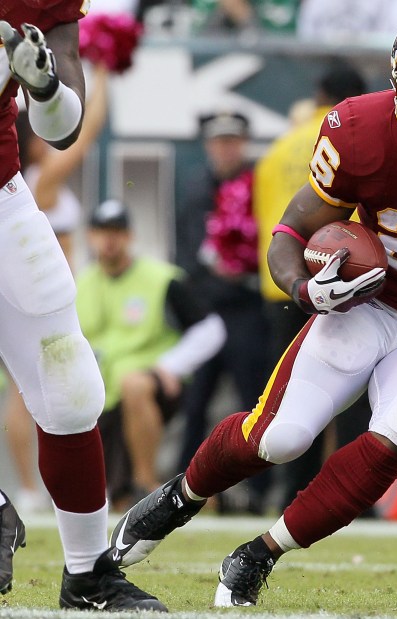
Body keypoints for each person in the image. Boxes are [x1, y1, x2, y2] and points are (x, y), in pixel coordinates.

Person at [108, 8, 397, 608]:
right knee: (279, 437)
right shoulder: (361, 131)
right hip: (371, 308)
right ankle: (177, 499)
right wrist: (306, 291)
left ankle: (259, 553)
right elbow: (289, 232)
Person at [0, 8, 165, 611]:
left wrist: (42, 85)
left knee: (70, 385)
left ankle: (88, 575)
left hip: (3, 201)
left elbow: (62, 127)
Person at [253, 62, 374, 511]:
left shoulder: (279, 149)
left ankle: (292, 493)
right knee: (348, 393)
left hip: (281, 288)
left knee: (291, 397)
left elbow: (270, 223)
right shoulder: (355, 143)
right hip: (340, 279)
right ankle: (351, 497)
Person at [3, 66, 110, 516]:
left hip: (40, 291)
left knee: (43, 397)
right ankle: (27, 487)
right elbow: (80, 136)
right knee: (30, 396)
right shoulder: (41, 181)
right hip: (27, 293)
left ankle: (29, 490)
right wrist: (103, 77)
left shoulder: (46, 185)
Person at [77, 199, 227, 511]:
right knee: (113, 498)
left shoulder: (161, 278)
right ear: (91, 236)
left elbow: (212, 329)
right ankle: (163, 496)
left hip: (153, 385)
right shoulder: (81, 284)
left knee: (134, 384)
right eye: (103, 231)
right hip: (102, 396)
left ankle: (146, 483)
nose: (109, 239)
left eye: (117, 231)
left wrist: (169, 366)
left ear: (130, 236)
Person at [174, 109, 271, 512]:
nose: (227, 148)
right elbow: (185, 256)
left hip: (247, 308)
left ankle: (258, 493)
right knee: (195, 403)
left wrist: (241, 272)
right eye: (220, 141)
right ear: (209, 145)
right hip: (206, 311)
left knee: (256, 403)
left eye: (233, 140)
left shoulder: (259, 185)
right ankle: (182, 492)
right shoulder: (197, 190)